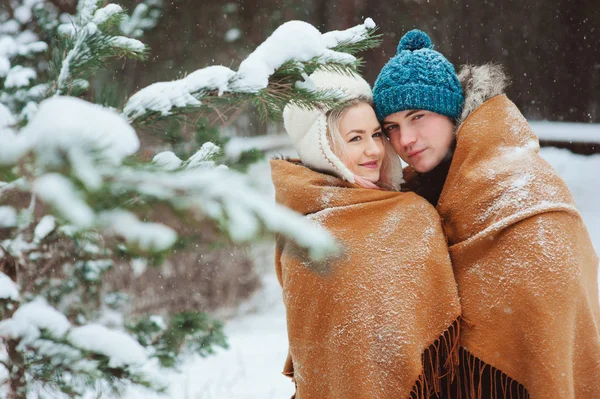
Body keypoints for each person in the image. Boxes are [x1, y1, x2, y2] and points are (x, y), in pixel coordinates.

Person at [373, 29, 600, 398]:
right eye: (392, 128)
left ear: (450, 113)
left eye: (418, 117)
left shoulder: (521, 184)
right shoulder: (417, 197)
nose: (405, 140)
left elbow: (555, 297)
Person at [271, 69, 461, 398]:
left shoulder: (410, 214)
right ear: (322, 147)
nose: (374, 150)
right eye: (355, 138)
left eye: (376, 134)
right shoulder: (302, 226)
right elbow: (320, 347)